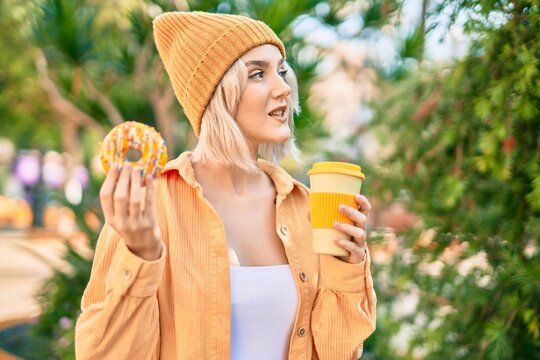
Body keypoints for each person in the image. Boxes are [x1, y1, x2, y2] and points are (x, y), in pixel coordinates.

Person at [75, 11, 376, 360]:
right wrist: (141, 256)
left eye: (281, 71)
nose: (283, 88)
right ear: (217, 94)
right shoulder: (153, 203)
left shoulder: (305, 207)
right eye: (258, 74)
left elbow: (339, 354)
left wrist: (347, 266)